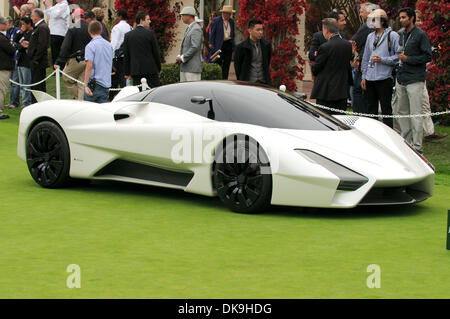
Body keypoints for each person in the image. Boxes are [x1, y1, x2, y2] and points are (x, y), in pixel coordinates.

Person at [394, 8, 432, 154]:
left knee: (416, 114)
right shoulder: (401, 34)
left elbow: (427, 56)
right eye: (400, 17)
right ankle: (406, 145)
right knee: (402, 112)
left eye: (404, 17)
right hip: (401, 77)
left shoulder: (421, 35)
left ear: (411, 18)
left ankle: (417, 147)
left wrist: (408, 59)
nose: (401, 20)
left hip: (415, 78)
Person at [361, 9, 399, 128]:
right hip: (370, 78)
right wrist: (364, 76)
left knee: (386, 109)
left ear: (382, 21)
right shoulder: (370, 37)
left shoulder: (392, 35)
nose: (371, 23)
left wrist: (382, 59)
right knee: (371, 110)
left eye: (374, 20)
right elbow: (366, 57)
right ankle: (373, 134)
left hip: (384, 77)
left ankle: (389, 134)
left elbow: (398, 56)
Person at [310, 18, 353, 114]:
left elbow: (316, 68)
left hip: (326, 91)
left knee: (326, 120)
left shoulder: (325, 47)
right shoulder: (347, 45)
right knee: (340, 120)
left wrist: (316, 60)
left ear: (326, 30)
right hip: (342, 89)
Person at [55, 8, 91, 100]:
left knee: (67, 78)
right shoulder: (90, 27)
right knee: (82, 83)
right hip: (88, 59)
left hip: (75, 60)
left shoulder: (72, 28)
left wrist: (59, 61)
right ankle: (82, 101)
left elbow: (65, 46)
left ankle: (79, 98)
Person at [351, 2, 379, 114]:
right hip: (374, 64)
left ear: (369, 13)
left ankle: (360, 116)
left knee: (358, 90)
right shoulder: (378, 26)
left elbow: (355, 41)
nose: (360, 14)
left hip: (365, 63)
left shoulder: (367, 25)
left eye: (362, 11)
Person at [123, 11, 161, 88]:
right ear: (141, 20)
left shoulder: (128, 35)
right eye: (148, 19)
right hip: (150, 70)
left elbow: (127, 55)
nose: (150, 21)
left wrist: (127, 72)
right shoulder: (150, 34)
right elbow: (156, 52)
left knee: (139, 94)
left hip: (136, 71)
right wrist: (159, 68)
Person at [22, 9, 50, 104]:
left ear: (37, 16)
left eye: (32, 16)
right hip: (36, 61)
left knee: (38, 85)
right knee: (35, 84)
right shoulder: (38, 27)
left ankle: (39, 104)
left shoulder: (42, 27)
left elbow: (42, 45)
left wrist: (35, 59)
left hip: (38, 62)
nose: (31, 18)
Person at [234, 19, 272, 85]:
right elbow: (238, 68)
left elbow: (267, 62)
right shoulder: (241, 47)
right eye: (258, 30)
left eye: (262, 29)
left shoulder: (267, 45)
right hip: (248, 83)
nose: (261, 32)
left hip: (264, 82)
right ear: (250, 31)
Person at [83, 20, 113, 103]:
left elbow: (89, 65)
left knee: (88, 111)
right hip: (106, 83)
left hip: (94, 84)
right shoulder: (109, 45)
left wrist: (85, 84)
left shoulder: (90, 46)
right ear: (101, 30)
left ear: (89, 31)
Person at [110, 9, 132, 100]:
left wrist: (110, 57)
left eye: (116, 16)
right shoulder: (130, 27)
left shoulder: (117, 28)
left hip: (117, 58)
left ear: (120, 16)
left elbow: (113, 44)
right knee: (125, 79)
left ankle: (113, 98)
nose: (115, 18)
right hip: (127, 56)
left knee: (115, 81)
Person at [176, 7, 203, 82]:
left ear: (189, 16)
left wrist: (182, 58)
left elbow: (195, 47)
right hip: (186, 68)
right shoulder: (190, 28)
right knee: (185, 92)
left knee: (193, 92)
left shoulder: (196, 29)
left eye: (183, 15)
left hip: (192, 69)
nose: (182, 17)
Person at [209, 5, 235, 80]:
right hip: (219, 44)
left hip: (228, 43)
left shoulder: (231, 21)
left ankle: (225, 79)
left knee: (227, 63)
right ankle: (218, 79)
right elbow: (212, 32)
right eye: (225, 13)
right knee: (218, 62)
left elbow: (233, 33)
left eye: (229, 13)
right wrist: (211, 42)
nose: (227, 15)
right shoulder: (216, 20)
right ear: (223, 13)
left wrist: (233, 43)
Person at [12, 15, 34, 107]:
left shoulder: (32, 33)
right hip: (20, 60)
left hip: (26, 61)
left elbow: (29, 46)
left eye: (23, 24)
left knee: (26, 84)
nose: (22, 26)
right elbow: (14, 42)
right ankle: (24, 102)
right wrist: (21, 33)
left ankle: (26, 103)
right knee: (21, 84)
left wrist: (21, 46)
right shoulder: (23, 33)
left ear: (28, 24)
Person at [44, 0, 70, 69]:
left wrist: (50, 7)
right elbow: (49, 13)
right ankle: (56, 69)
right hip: (54, 32)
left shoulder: (63, 5)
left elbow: (55, 14)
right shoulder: (57, 5)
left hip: (59, 32)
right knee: (54, 52)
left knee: (58, 52)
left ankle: (60, 68)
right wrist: (47, 7)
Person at [0, 16, 16, 120]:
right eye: (4, 23)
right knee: (2, 89)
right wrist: (14, 45)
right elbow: (11, 50)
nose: (6, 25)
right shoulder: (1, 37)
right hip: (3, 67)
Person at [6, 16, 21, 109]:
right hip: (9, 60)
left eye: (6, 23)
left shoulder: (17, 31)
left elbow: (17, 45)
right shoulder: (6, 32)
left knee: (15, 82)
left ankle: (14, 103)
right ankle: (12, 101)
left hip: (15, 59)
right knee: (11, 82)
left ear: (11, 23)